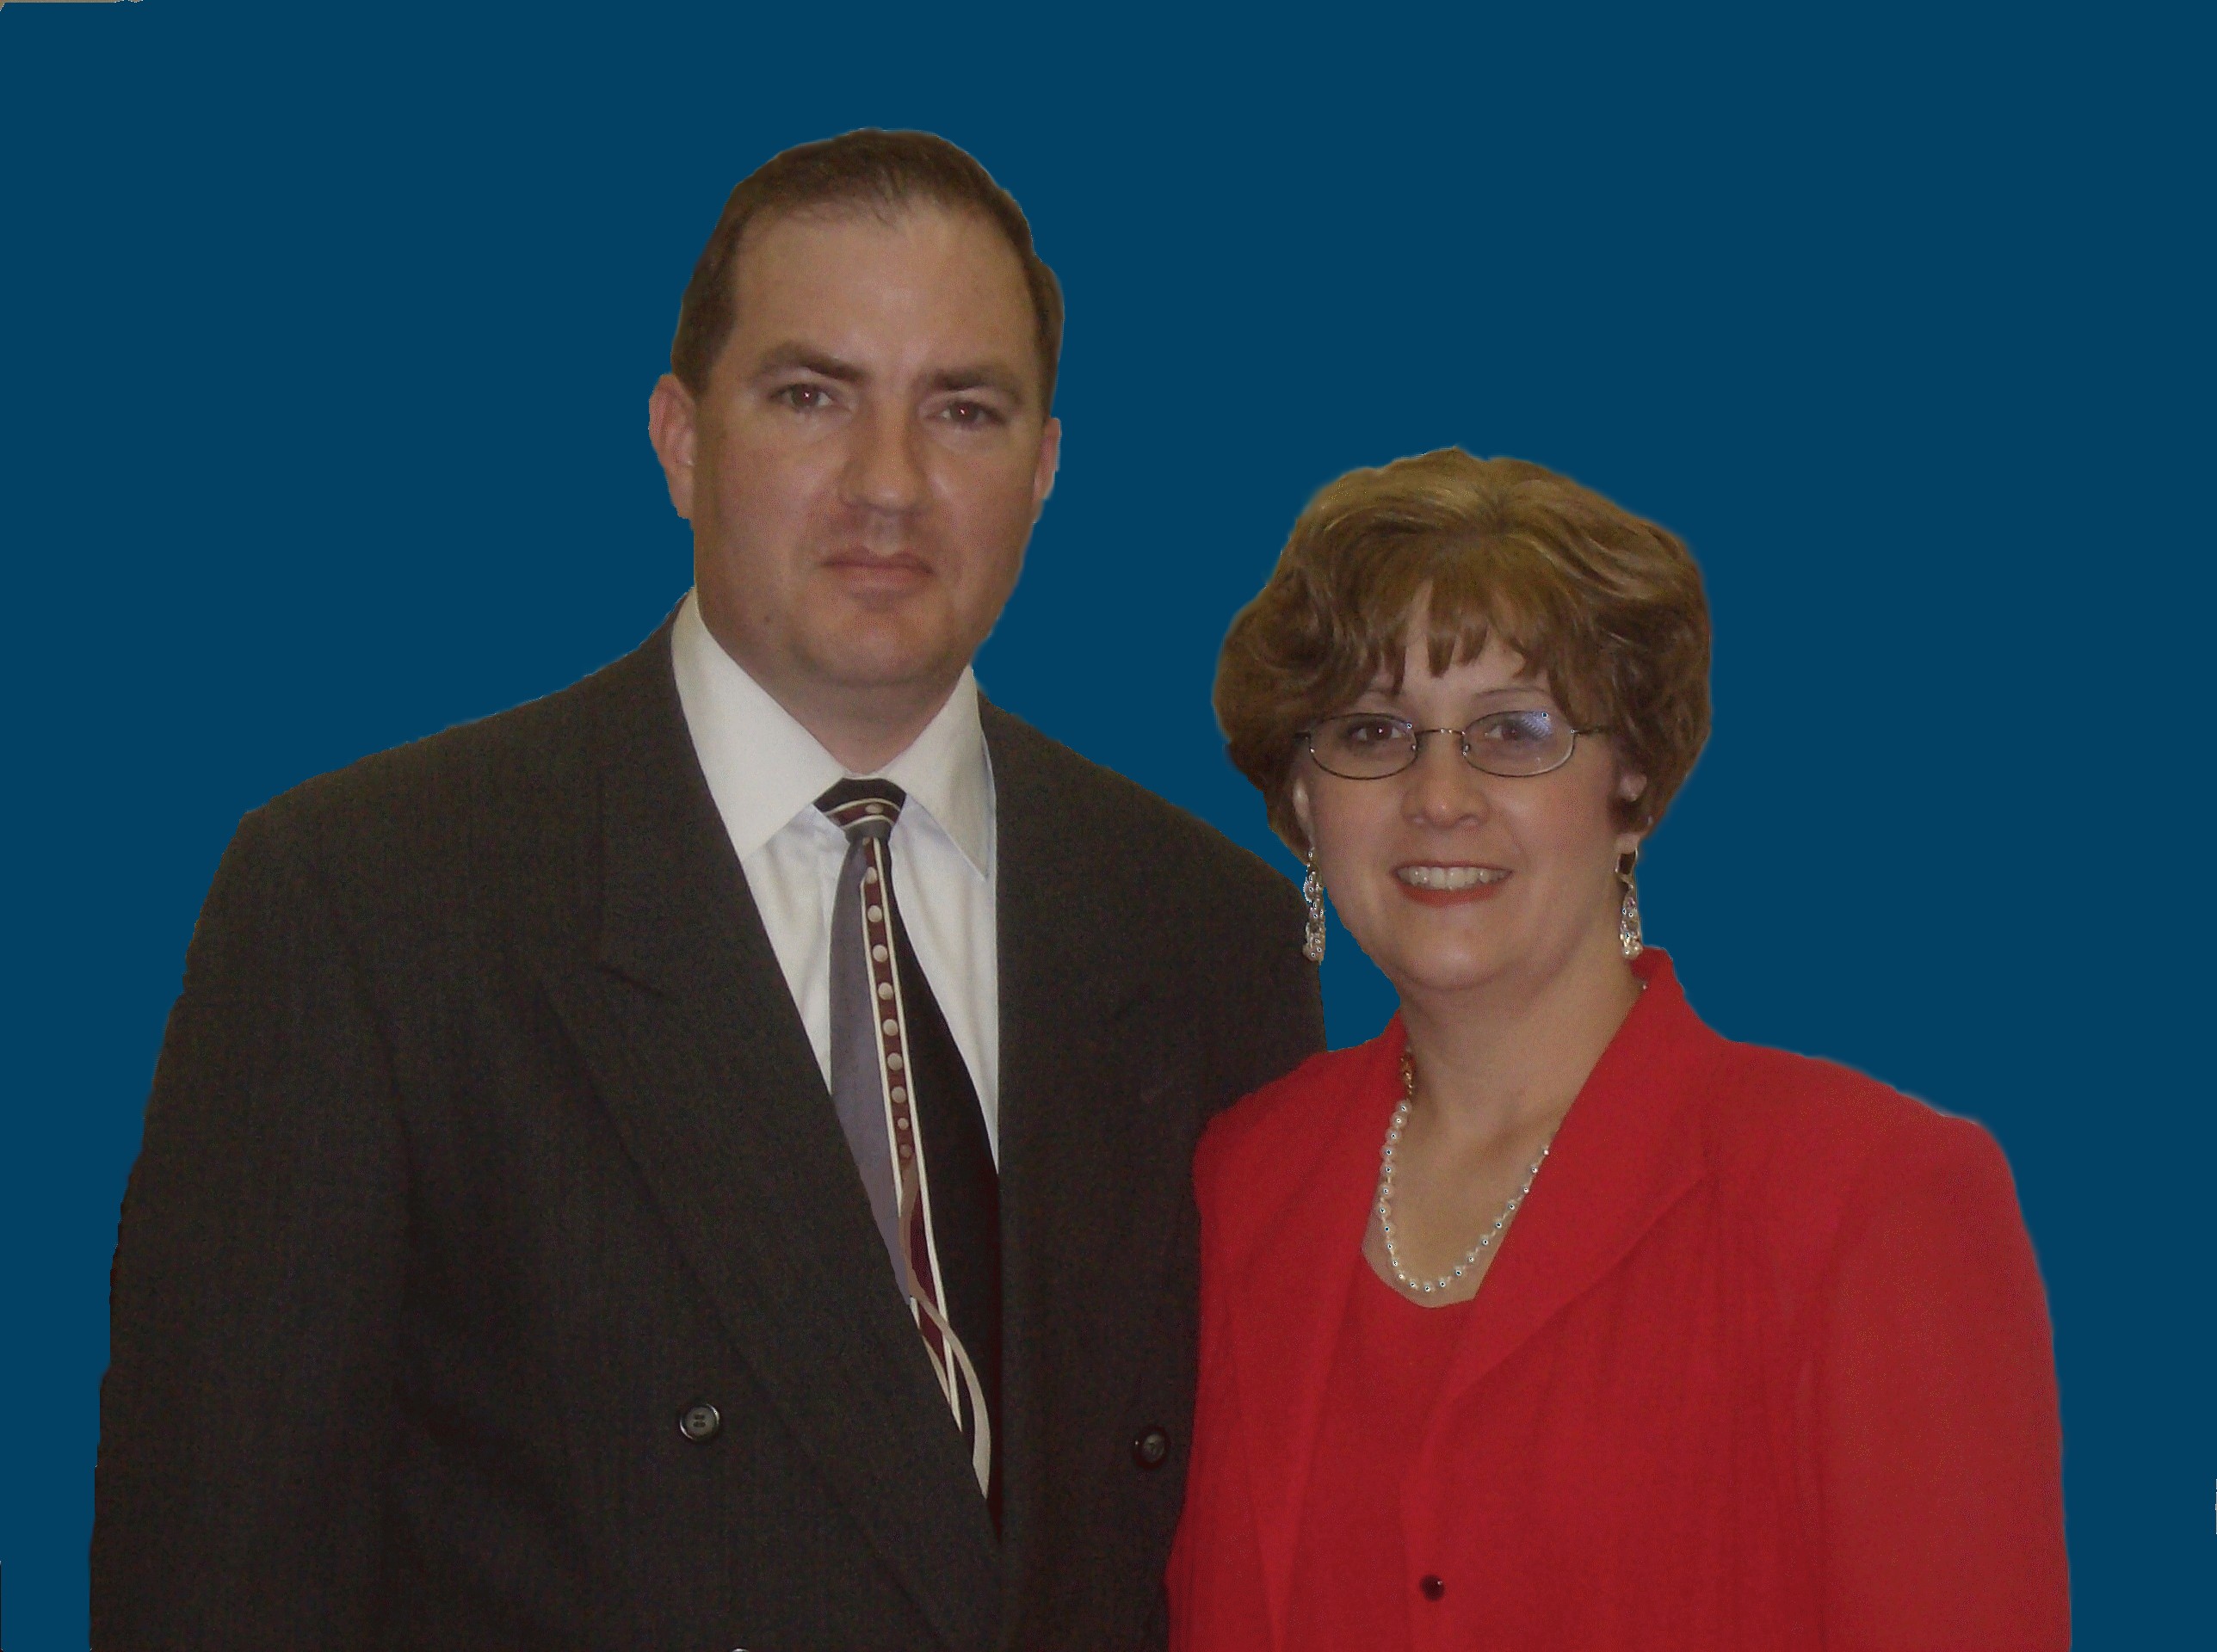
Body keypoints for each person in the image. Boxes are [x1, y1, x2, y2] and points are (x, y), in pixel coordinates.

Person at [92, 130, 1324, 1650]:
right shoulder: (369, 904)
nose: (890, 484)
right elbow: (216, 1582)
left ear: (1046, 469)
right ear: (680, 441)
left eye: (964, 410)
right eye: (812, 396)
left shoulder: (1212, 935)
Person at [1167, 450, 2069, 1649]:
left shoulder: (1871, 1201)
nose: (1440, 794)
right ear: (1302, 797)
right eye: (1374, 731)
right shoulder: (1242, 1182)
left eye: (1513, 731)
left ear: (1630, 780)